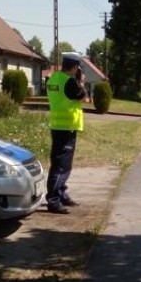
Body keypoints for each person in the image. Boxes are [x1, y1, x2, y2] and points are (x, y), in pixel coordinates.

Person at [45, 53, 87, 214]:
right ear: (75, 67)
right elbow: (84, 97)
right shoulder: (70, 82)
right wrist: (80, 81)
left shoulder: (54, 78)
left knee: (60, 163)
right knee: (61, 166)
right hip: (67, 126)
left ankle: (61, 194)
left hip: (57, 124)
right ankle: (54, 200)